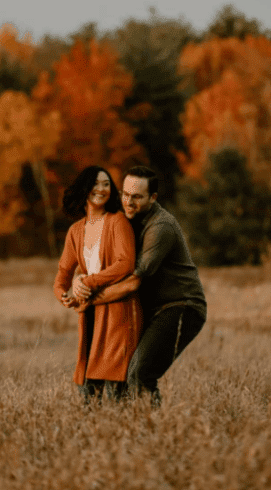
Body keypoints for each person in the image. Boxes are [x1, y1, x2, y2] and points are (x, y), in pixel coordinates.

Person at [73, 166, 206, 405]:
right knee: (123, 373)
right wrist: (78, 280)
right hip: (148, 309)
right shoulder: (124, 219)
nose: (128, 202)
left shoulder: (160, 227)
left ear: (153, 198)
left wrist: (87, 300)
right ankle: (127, 431)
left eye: (136, 197)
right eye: (125, 194)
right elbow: (96, 257)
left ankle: (154, 432)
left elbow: (133, 282)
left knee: (140, 373)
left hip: (180, 306)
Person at [53, 166, 142, 403]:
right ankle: (93, 435)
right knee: (87, 389)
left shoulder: (117, 221)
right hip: (90, 312)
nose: (102, 189)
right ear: (84, 188)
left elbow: (126, 263)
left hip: (118, 312)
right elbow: (63, 272)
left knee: (115, 388)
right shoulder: (75, 231)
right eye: (96, 183)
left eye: (106, 184)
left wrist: (86, 282)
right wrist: (64, 293)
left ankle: (124, 432)